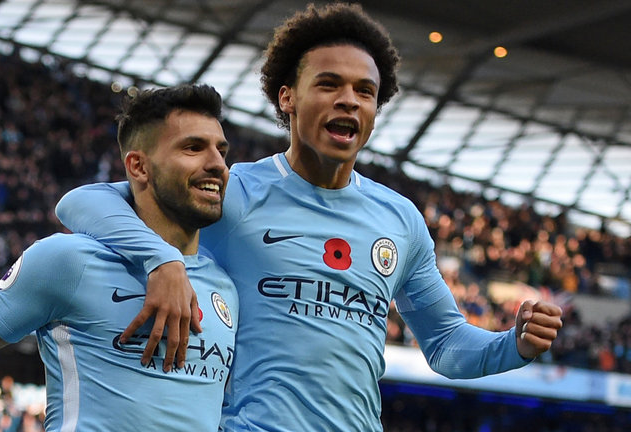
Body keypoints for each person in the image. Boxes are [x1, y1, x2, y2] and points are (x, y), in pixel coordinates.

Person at [54, 4, 563, 431]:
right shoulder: (235, 191)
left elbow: (446, 343)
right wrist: (161, 261)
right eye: (329, 84)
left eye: (365, 91)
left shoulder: (400, 219)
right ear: (288, 98)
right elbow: (81, 203)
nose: (349, 100)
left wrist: (513, 344)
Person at [0, 84, 238, 432]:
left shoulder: (225, 287)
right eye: (193, 148)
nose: (218, 164)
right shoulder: (70, 260)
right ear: (138, 167)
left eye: (221, 151)